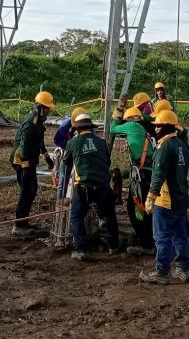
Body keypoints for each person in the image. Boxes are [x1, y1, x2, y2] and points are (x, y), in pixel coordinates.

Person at [139, 110, 189, 285]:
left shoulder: (163, 147)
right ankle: (182, 269)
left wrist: (151, 196)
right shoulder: (182, 145)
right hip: (181, 198)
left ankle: (162, 271)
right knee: (180, 235)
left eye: (159, 125)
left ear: (167, 127)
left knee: (162, 236)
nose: (156, 128)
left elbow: (158, 174)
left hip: (166, 200)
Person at [64, 112, 122, 261]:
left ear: (77, 129)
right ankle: (113, 246)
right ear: (90, 127)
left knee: (77, 217)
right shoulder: (102, 143)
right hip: (103, 185)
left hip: (83, 186)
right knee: (109, 215)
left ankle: (81, 249)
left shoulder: (73, 143)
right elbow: (107, 162)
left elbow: (66, 162)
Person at [110, 104, 155, 256]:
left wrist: (116, 116)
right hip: (146, 174)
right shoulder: (142, 130)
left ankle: (146, 244)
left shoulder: (132, 126)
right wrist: (122, 174)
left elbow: (113, 128)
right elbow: (139, 164)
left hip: (141, 177)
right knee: (145, 208)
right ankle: (149, 238)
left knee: (135, 208)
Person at [10, 91, 55, 236]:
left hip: (30, 161)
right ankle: (19, 224)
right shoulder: (30, 123)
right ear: (40, 107)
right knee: (26, 191)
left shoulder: (39, 123)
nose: (49, 111)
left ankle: (24, 220)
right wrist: (25, 165)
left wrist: (47, 156)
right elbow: (24, 144)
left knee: (32, 189)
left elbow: (39, 142)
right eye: (47, 108)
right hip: (22, 161)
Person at [53, 107, 87, 200]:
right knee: (63, 181)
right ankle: (60, 203)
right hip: (67, 154)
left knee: (81, 182)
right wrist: (68, 147)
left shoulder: (88, 127)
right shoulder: (66, 125)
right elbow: (57, 139)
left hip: (80, 157)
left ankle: (78, 203)